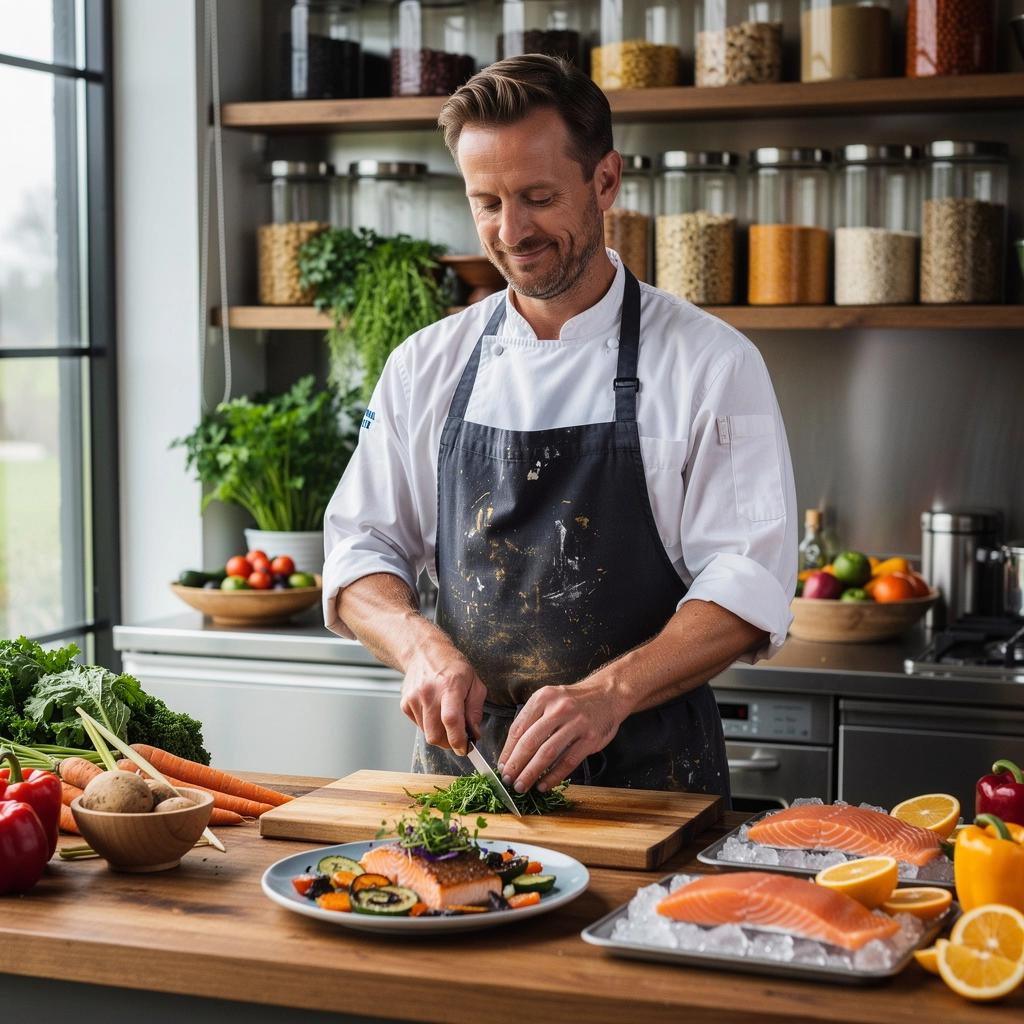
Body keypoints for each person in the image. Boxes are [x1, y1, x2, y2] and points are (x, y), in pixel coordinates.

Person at [323, 55, 796, 801]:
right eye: (486, 202)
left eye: (538, 197)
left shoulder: (712, 364)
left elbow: (748, 582)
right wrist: (417, 646)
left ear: (604, 181)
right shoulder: (425, 365)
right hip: (466, 788)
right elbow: (359, 548)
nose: (511, 232)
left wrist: (609, 693)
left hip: (651, 786)